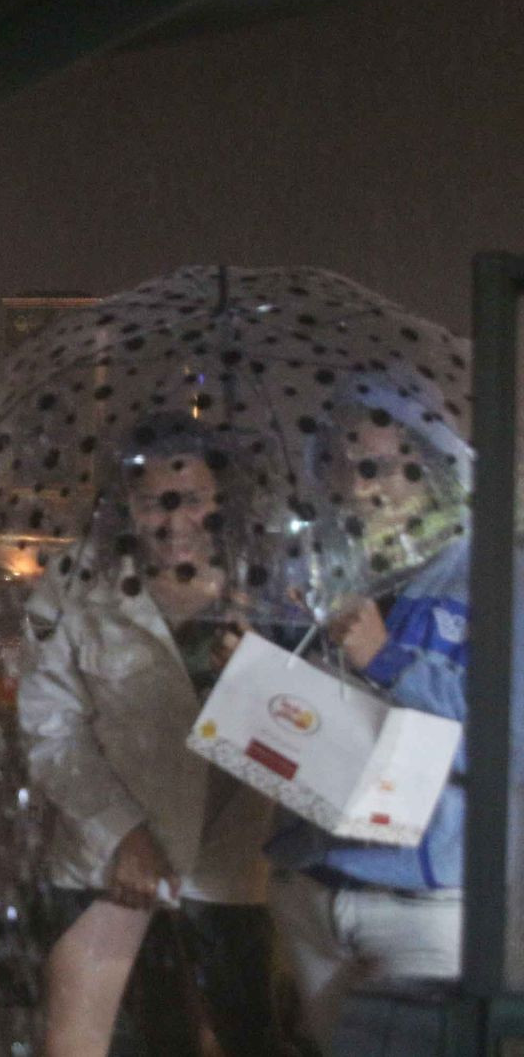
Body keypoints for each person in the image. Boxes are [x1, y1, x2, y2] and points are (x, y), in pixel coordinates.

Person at [19, 414, 286, 1056]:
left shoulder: (270, 589)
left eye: (191, 499)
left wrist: (264, 675)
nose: (172, 522)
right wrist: (122, 833)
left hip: (233, 865)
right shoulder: (76, 582)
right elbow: (51, 726)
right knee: (81, 1042)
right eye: (150, 503)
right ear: (124, 508)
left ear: (223, 499)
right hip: (108, 861)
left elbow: (307, 730)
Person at [264, 391, 474, 1050]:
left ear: (432, 471)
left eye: (384, 466)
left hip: (424, 904)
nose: (361, 486)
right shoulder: (316, 574)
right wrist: (259, 671)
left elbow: (512, 737)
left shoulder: (496, 579)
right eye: (344, 466)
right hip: (312, 889)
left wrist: (388, 658)